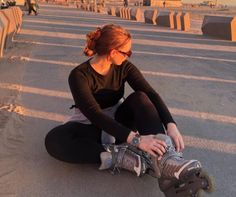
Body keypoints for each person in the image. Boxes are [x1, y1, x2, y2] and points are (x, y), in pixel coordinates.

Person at [45, 24, 204, 195]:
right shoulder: (79, 75)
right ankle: (122, 158)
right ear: (113, 52)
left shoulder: (125, 67)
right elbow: (95, 114)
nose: (128, 56)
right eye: (127, 52)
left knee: (141, 97)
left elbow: (151, 93)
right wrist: (136, 141)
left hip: (119, 120)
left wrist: (171, 124)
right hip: (92, 124)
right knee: (54, 140)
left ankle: (165, 159)